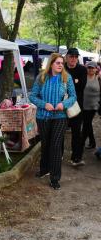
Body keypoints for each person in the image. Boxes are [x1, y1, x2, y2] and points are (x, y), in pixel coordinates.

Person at [30, 53, 77, 190]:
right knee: (45, 144)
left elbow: (73, 96)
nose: (61, 65)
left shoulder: (67, 78)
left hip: (60, 117)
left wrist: (64, 104)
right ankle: (44, 169)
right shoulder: (42, 77)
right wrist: (44, 104)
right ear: (51, 64)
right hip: (43, 116)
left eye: (62, 63)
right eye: (58, 63)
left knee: (56, 146)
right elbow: (32, 96)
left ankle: (55, 178)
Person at [64, 48, 87, 166]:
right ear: (66, 57)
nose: (73, 59)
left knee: (76, 132)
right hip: (61, 106)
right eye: (71, 56)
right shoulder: (61, 67)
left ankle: (76, 158)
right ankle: (58, 155)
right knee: (59, 131)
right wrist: (74, 81)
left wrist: (68, 83)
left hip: (76, 107)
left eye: (75, 56)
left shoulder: (82, 69)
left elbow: (81, 86)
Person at [82, 61, 100, 149]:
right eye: (89, 67)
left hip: (94, 105)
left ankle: (81, 143)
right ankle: (92, 142)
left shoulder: (99, 78)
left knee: (86, 123)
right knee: (87, 123)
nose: (91, 69)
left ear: (96, 69)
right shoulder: (83, 77)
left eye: (93, 68)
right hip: (83, 104)